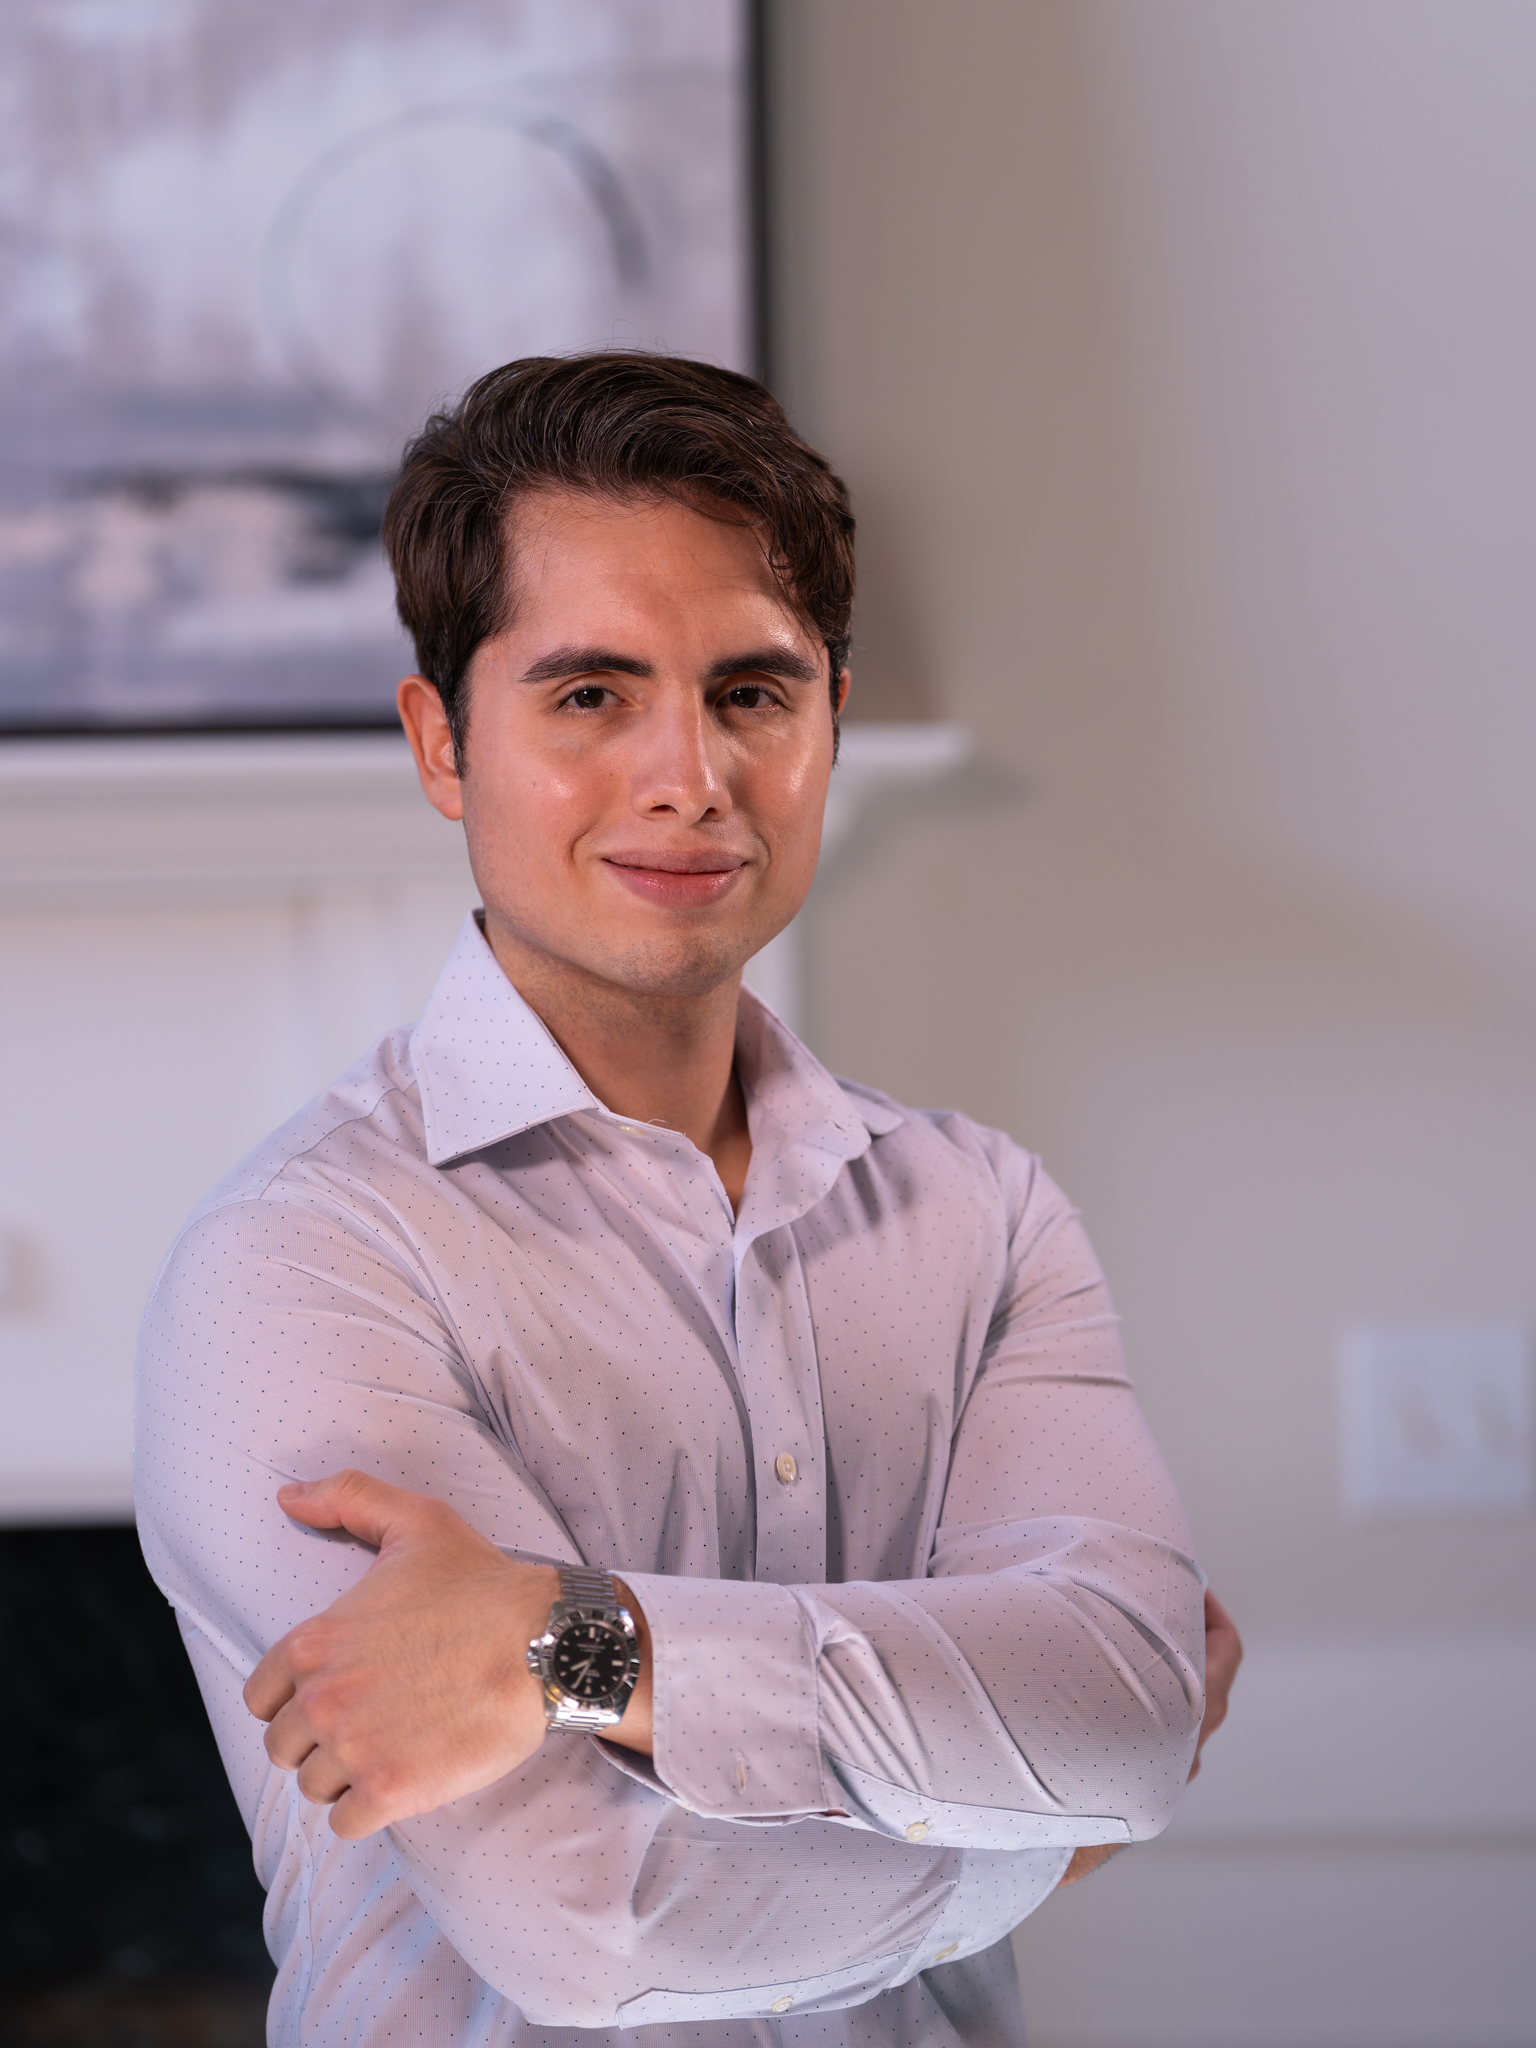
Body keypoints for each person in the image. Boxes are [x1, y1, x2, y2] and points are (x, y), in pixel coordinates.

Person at [135, 352, 1239, 2048]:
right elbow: (592, 1921)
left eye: (752, 691)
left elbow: (1129, 1703)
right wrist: (1046, 1828)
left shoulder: (984, 1217)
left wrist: (587, 1644)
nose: (691, 776)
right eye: (589, 695)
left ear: (829, 718)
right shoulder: (294, 1268)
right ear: (444, 740)